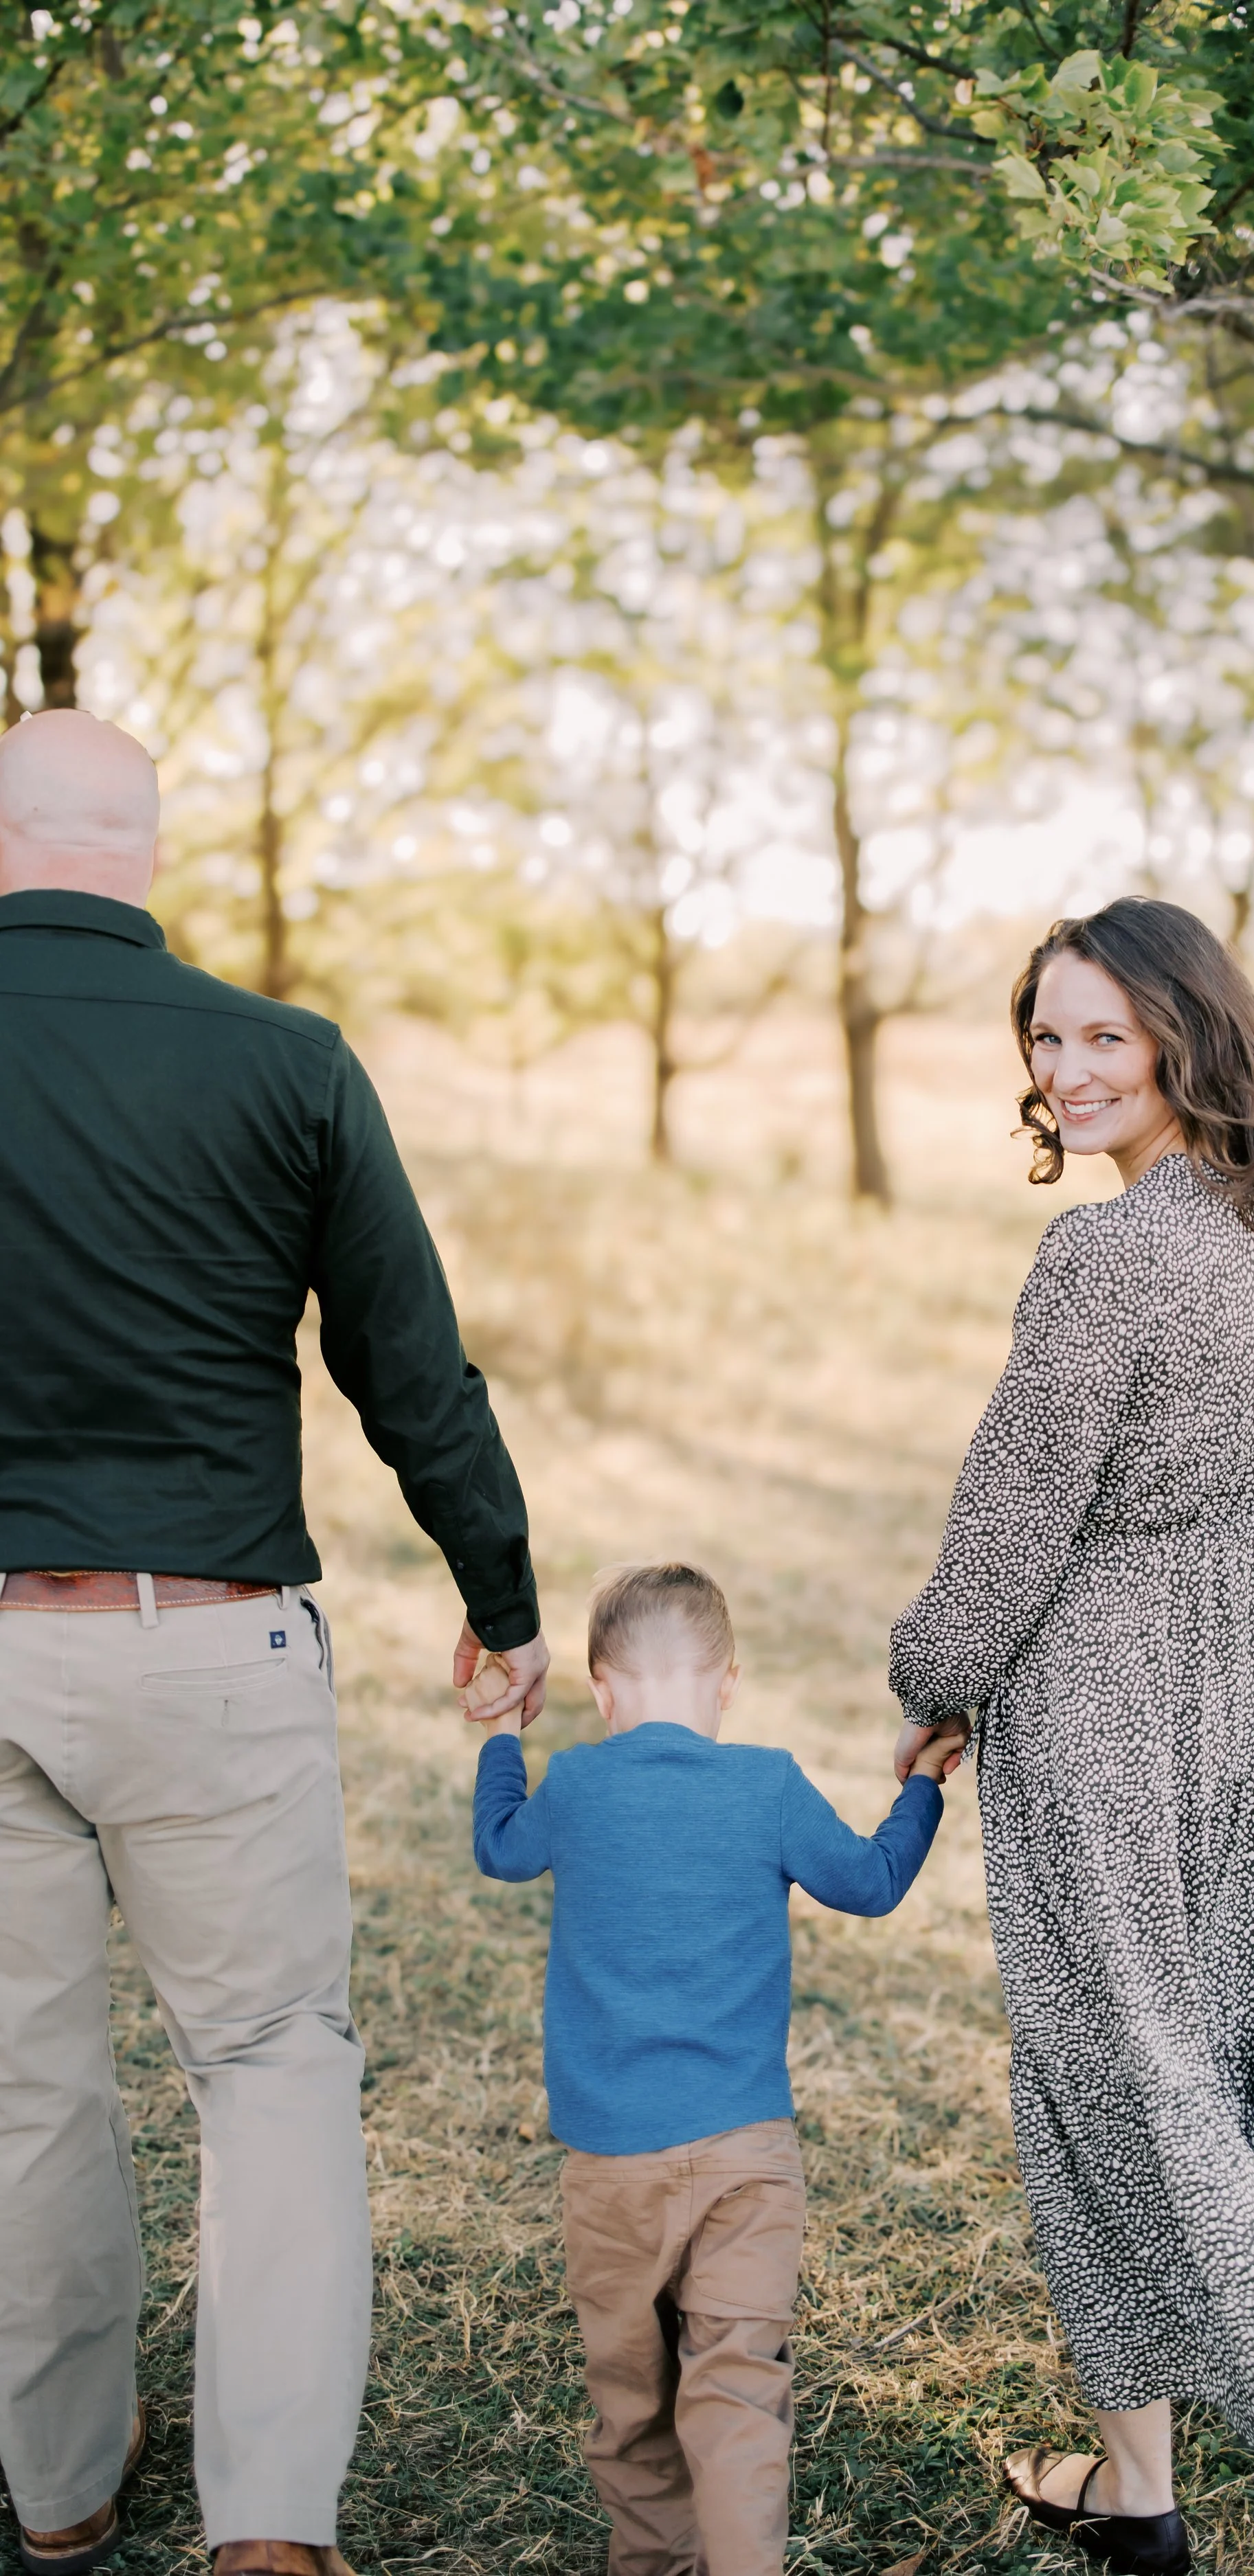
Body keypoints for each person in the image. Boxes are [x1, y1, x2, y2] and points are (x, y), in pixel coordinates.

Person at [0, 711, 549, 2576]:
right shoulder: (286, 1060)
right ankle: (267, 2530)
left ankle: (59, 2485)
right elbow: (411, 1366)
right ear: (144, 854)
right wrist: (502, 1599)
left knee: (23, 2076)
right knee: (270, 2060)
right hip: (212, 1641)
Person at [888, 899, 1254, 2571]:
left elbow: (1014, 1518)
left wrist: (935, 1673)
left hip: (1104, 1685)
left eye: (1101, 1037)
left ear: (1185, 1036)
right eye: (1044, 1040)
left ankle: (1198, 2449)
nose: (1065, 1072)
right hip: (1247, 1672)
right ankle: (1224, 2418)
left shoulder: (1105, 1255)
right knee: (1223, 2018)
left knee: (1110, 2059)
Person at [469, 1561, 965, 2576]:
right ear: (727, 1682)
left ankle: (651, 2561)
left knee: (633, 2403)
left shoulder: (577, 1782)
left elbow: (500, 1848)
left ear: (603, 1688)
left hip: (610, 2166)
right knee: (737, 2393)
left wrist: (501, 1739)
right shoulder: (768, 1782)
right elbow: (870, 1881)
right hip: (748, 2162)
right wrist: (921, 1788)